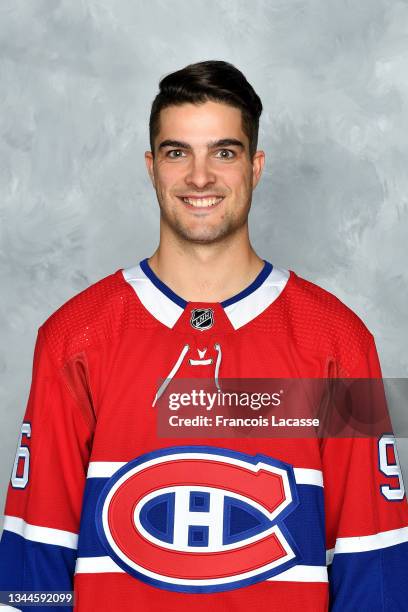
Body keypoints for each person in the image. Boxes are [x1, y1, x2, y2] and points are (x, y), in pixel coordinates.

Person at [0, 60, 407, 612]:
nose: (199, 177)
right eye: (177, 153)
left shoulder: (337, 342)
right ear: (151, 167)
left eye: (224, 152)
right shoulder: (74, 338)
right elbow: (34, 563)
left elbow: (373, 570)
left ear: (255, 166)